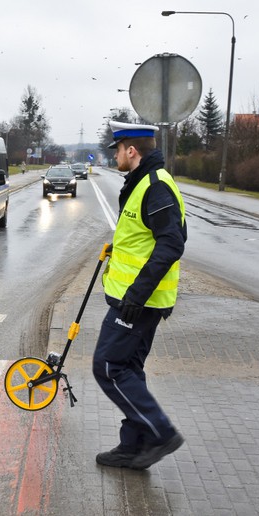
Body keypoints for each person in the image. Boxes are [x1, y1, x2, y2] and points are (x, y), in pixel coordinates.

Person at [93, 122, 186, 470]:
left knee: (108, 366)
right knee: (128, 367)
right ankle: (132, 446)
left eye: (116, 150)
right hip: (135, 300)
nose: (114, 155)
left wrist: (137, 292)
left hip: (138, 302)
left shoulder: (156, 185)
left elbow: (173, 242)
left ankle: (160, 432)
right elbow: (149, 236)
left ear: (131, 151)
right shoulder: (143, 182)